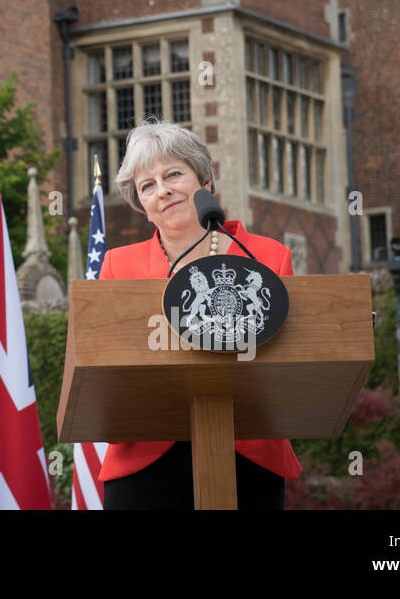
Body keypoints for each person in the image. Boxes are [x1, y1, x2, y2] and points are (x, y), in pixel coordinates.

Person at [97, 119, 302, 509]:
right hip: (145, 459)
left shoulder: (269, 257)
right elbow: (104, 362)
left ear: (205, 180)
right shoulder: (118, 266)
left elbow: (287, 357)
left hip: (248, 452)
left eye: (173, 174)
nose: (164, 190)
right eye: (148, 185)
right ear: (142, 205)